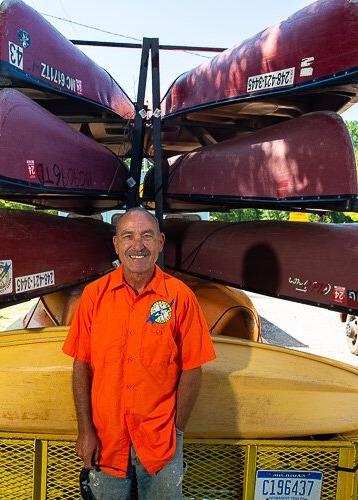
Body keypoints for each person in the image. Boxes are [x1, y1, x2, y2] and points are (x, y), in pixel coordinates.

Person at [63, 207, 216, 499]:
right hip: (106, 440)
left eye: (146, 236)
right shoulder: (94, 296)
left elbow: (193, 368)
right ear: (116, 244)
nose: (138, 245)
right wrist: (85, 430)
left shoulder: (181, 297)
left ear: (160, 242)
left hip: (162, 442)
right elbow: (81, 363)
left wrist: (176, 431)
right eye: (128, 236)